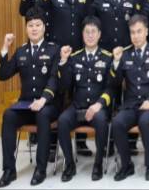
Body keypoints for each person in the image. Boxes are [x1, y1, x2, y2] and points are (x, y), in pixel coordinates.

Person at [0, 8, 60, 187]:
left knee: (42, 114)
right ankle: (9, 170)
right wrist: (5, 48)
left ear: (44, 27)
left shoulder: (54, 50)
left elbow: (54, 79)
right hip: (25, 105)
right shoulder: (21, 52)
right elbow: (3, 75)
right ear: (26, 28)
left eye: (38, 25)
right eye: (30, 25)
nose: (34, 29)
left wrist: (43, 100)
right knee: (8, 115)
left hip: (48, 105)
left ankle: (40, 169)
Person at [57, 16, 113, 182]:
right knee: (62, 121)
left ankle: (98, 164)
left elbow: (111, 88)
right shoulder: (74, 57)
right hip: (77, 106)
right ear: (82, 34)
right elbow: (65, 85)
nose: (90, 35)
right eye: (87, 32)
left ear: (99, 34)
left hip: (97, 108)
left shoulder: (107, 57)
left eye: (93, 32)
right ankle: (69, 164)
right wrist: (64, 61)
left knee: (102, 121)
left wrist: (99, 104)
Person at [109, 15, 149, 181]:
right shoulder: (124, 54)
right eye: (132, 32)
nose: (136, 36)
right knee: (117, 123)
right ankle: (127, 165)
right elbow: (115, 83)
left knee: (145, 122)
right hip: (131, 105)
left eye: (139, 31)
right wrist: (116, 62)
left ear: (146, 32)